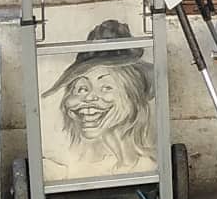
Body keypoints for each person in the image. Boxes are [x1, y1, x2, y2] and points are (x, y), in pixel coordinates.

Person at [41, 21, 156, 181]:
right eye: (81, 88)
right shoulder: (61, 170)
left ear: (132, 96)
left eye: (106, 87)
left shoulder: (149, 167)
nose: (89, 97)